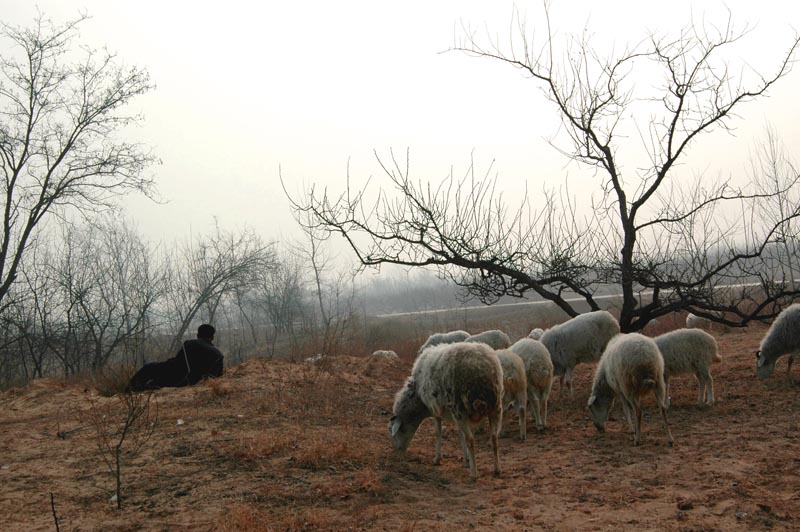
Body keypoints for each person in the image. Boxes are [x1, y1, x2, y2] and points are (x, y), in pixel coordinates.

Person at [127, 324, 224, 391]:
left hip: (179, 377)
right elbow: (218, 375)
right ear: (212, 337)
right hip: (195, 380)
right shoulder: (219, 354)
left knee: (148, 367)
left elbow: (178, 362)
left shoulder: (190, 343)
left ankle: (129, 391)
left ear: (198, 335)